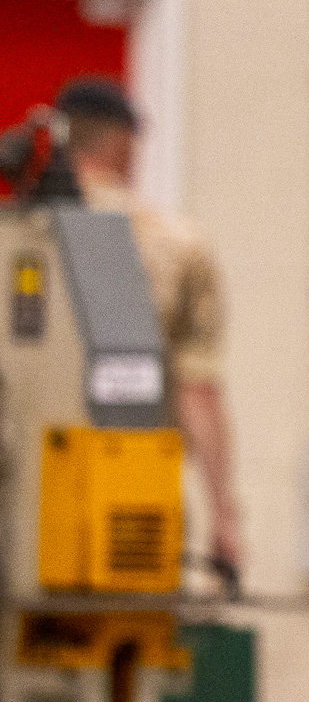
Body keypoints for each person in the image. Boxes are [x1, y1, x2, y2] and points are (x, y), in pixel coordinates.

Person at [53, 74, 245, 585]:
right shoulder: (175, 244)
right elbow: (197, 390)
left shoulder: (18, 235)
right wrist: (224, 515)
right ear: (124, 143)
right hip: (132, 507)